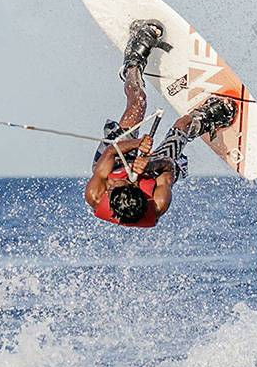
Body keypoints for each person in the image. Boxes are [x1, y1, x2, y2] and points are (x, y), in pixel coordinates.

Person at [84, 19, 237, 227]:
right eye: (117, 185)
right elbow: (170, 169)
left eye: (114, 185)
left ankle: (132, 63)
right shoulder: (159, 202)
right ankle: (205, 118)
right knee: (181, 126)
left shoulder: (95, 193)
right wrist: (152, 164)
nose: (114, 183)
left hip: (115, 158)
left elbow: (111, 151)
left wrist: (138, 145)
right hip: (157, 170)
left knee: (138, 103)